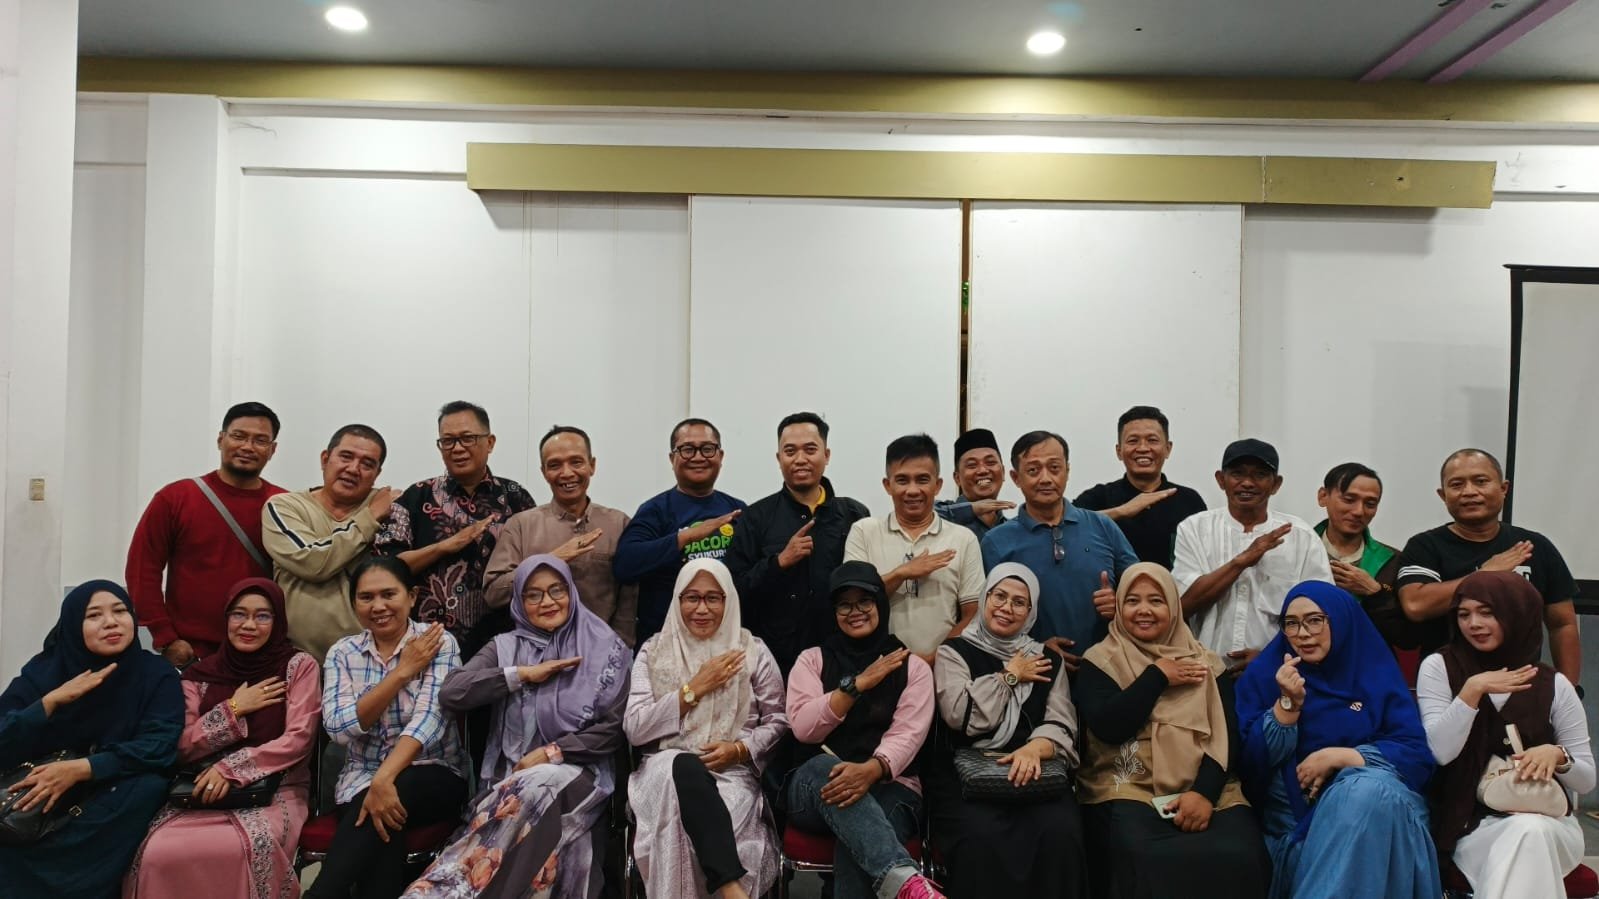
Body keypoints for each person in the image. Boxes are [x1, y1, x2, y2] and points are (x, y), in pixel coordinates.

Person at [406, 555, 632, 898]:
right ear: (520, 602)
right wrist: (521, 675)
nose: (547, 602)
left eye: (557, 590)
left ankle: (446, 889)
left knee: (543, 782)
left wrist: (551, 753)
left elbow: (613, 729)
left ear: (571, 592)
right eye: (534, 595)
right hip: (510, 781)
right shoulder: (505, 647)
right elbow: (453, 693)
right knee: (548, 835)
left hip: (580, 775)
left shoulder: (606, 648)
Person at [1075, 563, 1269, 899]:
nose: (1144, 610)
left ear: (1174, 608)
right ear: (1119, 607)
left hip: (1208, 787)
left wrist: (1203, 794)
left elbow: (1227, 736)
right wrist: (1157, 676)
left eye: (1156, 600)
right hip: (1130, 786)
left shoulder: (1208, 664)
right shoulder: (1100, 660)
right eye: (1132, 601)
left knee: (1243, 853)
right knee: (1142, 856)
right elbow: (1109, 727)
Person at [1235, 581, 1439, 899]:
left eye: (1315, 620)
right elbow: (1251, 767)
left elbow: (1416, 755)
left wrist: (1341, 758)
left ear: (1341, 620)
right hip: (1297, 816)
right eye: (1291, 623)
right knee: (1364, 799)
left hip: (1382, 803)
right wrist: (1287, 707)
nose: (1303, 633)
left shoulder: (1374, 671)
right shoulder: (1265, 675)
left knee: (1367, 793)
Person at [124, 578, 321, 899]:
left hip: (275, 790)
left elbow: (298, 739)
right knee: (156, 852)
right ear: (226, 618)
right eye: (238, 614)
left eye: (262, 616)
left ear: (278, 621)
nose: (249, 625)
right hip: (199, 791)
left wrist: (231, 769)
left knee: (245, 848)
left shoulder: (297, 667)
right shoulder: (198, 675)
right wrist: (234, 709)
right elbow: (182, 745)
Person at [0, 582, 182, 899]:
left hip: (109, 797)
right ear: (73, 624)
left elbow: (159, 744)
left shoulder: (155, 673)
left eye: (120, 611)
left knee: (149, 786)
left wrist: (83, 769)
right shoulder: (43, 673)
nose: (111, 622)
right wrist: (49, 703)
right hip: (39, 799)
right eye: (94, 615)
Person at [1420, 571, 1594, 899]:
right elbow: (1440, 752)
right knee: (1526, 836)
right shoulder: (1440, 667)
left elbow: (1586, 782)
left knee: (1530, 830)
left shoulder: (1554, 684)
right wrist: (1472, 691)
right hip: (1468, 825)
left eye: (1487, 612)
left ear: (1517, 612)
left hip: (1549, 822)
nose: (1473, 624)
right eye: (1463, 614)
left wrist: (1558, 756)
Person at [624, 559, 789, 899]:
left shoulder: (752, 652)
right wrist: (693, 690)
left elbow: (778, 720)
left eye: (713, 598)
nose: (701, 609)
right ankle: (730, 887)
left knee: (721, 818)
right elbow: (635, 728)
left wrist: (740, 750)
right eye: (692, 598)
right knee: (680, 767)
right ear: (677, 600)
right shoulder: (654, 652)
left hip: (730, 773)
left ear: (729, 600)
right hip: (662, 770)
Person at [308, 557, 471, 899]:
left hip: (434, 774)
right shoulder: (342, 653)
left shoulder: (439, 641)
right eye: (366, 597)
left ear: (411, 596)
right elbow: (338, 728)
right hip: (360, 779)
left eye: (388, 594)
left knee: (390, 793)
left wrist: (383, 779)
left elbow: (430, 720)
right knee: (383, 826)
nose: (378, 606)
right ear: (354, 604)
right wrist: (401, 673)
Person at [926, 563, 1087, 899]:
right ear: (985, 598)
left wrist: (1035, 748)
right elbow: (960, 716)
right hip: (967, 774)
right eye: (999, 596)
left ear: (1030, 612)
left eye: (1019, 602)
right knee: (980, 837)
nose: (1006, 608)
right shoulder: (953, 651)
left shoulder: (1047, 658)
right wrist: (1010, 676)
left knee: (1061, 832)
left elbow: (1062, 720)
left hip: (1034, 768)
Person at [784, 561, 943, 899]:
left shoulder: (911, 667)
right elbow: (804, 729)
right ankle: (907, 883)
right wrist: (856, 686)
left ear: (880, 603)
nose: (855, 612)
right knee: (826, 768)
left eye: (865, 601)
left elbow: (909, 734)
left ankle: (904, 882)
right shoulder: (812, 660)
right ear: (833, 611)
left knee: (857, 835)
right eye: (844, 604)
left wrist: (872, 770)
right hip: (814, 789)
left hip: (893, 787)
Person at [1396, 448, 1580, 684]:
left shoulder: (1534, 546)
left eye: (1480, 481)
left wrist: (1569, 690)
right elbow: (1415, 605)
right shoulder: (1425, 546)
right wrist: (1485, 574)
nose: (1469, 492)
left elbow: (1562, 624)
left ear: (1504, 488)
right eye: (1457, 484)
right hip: (1447, 686)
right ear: (1443, 495)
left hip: (1523, 684)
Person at [126, 401, 286, 667]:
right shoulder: (176, 498)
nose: (248, 447)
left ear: (272, 450)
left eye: (260, 440)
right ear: (221, 440)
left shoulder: (284, 505)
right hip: (191, 655)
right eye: (238, 436)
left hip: (263, 655)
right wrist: (165, 638)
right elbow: (142, 570)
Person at [374, 401, 537, 659]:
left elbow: (533, 568)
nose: (457, 448)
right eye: (448, 441)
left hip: (504, 642)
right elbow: (385, 569)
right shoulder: (416, 497)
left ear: (490, 442)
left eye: (467, 438)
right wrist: (442, 547)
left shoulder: (516, 497)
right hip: (428, 643)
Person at [725, 411, 871, 675]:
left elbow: (869, 589)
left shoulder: (854, 514)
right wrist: (778, 563)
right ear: (779, 458)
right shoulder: (755, 517)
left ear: (826, 455)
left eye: (810, 450)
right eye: (790, 451)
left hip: (843, 655)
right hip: (775, 661)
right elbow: (733, 590)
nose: (800, 459)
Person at [979, 430, 1137, 671]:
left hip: (1109, 670)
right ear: (1015, 477)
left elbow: (1143, 587)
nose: (1045, 478)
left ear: (1067, 470)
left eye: (1054, 468)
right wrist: (1035, 648)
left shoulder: (1102, 526)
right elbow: (986, 620)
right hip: (1034, 673)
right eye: (1033, 470)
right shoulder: (996, 541)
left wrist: (1120, 601)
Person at [1174, 439, 1332, 672]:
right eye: (1237, 473)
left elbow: (1321, 615)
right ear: (1221, 480)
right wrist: (1242, 561)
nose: (1247, 483)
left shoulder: (1301, 536)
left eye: (1260, 475)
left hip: (1279, 671)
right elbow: (1182, 606)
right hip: (1206, 672)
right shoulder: (1194, 529)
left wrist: (1269, 658)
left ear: (1276, 484)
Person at [486, 425, 638, 645]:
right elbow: (493, 593)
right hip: (535, 654)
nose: (567, 473)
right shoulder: (521, 525)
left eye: (576, 462)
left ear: (592, 465)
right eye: (555, 465)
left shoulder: (618, 524)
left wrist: (618, 648)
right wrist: (551, 560)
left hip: (602, 651)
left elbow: (629, 598)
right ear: (543, 472)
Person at [846, 434, 984, 660]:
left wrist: (935, 659)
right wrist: (901, 573)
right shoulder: (863, 532)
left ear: (938, 485)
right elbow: (852, 602)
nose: (912, 490)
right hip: (873, 667)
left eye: (922, 480)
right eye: (902, 480)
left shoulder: (963, 539)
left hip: (942, 667)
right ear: (887, 485)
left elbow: (974, 615)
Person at [264, 423, 395, 662]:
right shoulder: (286, 507)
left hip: (369, 663)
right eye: (346, 456)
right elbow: (313, 563)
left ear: (377, 473)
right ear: (325, 459)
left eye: (367, 464)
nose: (353, 469)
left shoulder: (392, 510)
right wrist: (370, 518)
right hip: (295, 661)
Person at [614, 417, 746, 645]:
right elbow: (625, 565)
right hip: (666, 642)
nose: (698, 457)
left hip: (726, 640)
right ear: (672, 458)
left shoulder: (737, 510)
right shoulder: (655, 510)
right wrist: (685, 537)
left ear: (720, 456)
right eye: (687, 449)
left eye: (707, 449)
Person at [1312, 463, 1420, 674]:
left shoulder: (1394, 560)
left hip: (1369, 672)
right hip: (1303, 671)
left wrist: (1376, 593)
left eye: (1370, 504)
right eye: (1349, 499)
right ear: (1323, 496)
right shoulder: (1298, 551)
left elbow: (1408, 639)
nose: (1359, 511)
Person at [1074, 406, 1207, 569]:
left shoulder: (1189, 501)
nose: (1143, 448)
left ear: (1168, 448)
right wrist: (1122, 511)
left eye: (1152, 440)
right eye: (1133, 441)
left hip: (1174, 586)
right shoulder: (1099, 497)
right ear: (1119, 451)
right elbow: (1064, 526)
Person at [934, 428, 1014, 540]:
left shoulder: (1014, 530)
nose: (982, 470)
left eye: (990, 462)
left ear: (1003, 472)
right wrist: (973, 509)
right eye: (972, 465)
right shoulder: (940, 519)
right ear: (957, 478)